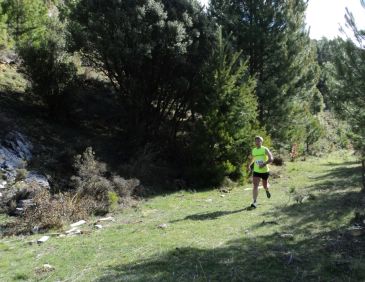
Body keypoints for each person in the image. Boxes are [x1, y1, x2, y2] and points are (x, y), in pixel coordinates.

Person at [246, 136, 273, 208]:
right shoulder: (254, 150)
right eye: (256, 141)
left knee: (264, 185)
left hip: (265, 171)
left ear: (261, 142)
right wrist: (249, 165)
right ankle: (254, 202)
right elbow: (252, 159)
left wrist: (263, 164)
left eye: (259, 141)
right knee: (255, 186)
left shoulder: (265, 149)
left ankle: (267, 190)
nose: (257, 143)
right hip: (256, 171)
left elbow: (271, 158)